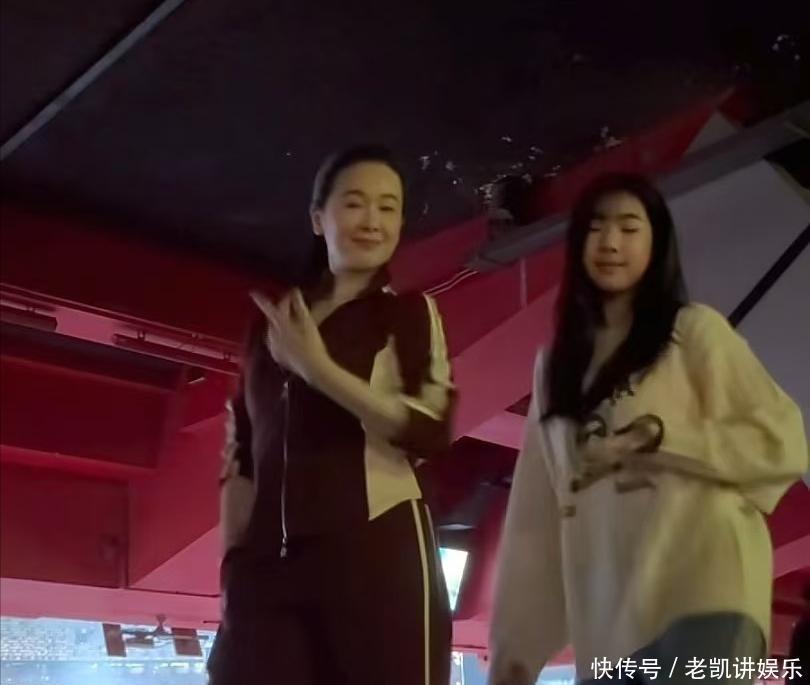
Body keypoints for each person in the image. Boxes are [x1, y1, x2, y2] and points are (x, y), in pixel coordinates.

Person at [488, 173, 808, 685]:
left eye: (629, 228)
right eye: (596, 228)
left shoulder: (693, 331)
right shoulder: (555, 369)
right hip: (609, 627)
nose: (611, 242)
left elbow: (780, 439)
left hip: (705, 595)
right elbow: (536, 518)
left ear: (656, 244)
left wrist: (660, 445)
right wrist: (515, 651)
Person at [208, 145, 455, 684]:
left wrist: (318, 369)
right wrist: (233, 563)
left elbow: (431, 429)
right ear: (319, 219)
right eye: (355, 203)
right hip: (265, 567)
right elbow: (242, 452)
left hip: (376, 555)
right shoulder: (270, 324)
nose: (372, 220)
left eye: (388, 208)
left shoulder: (407, 313)